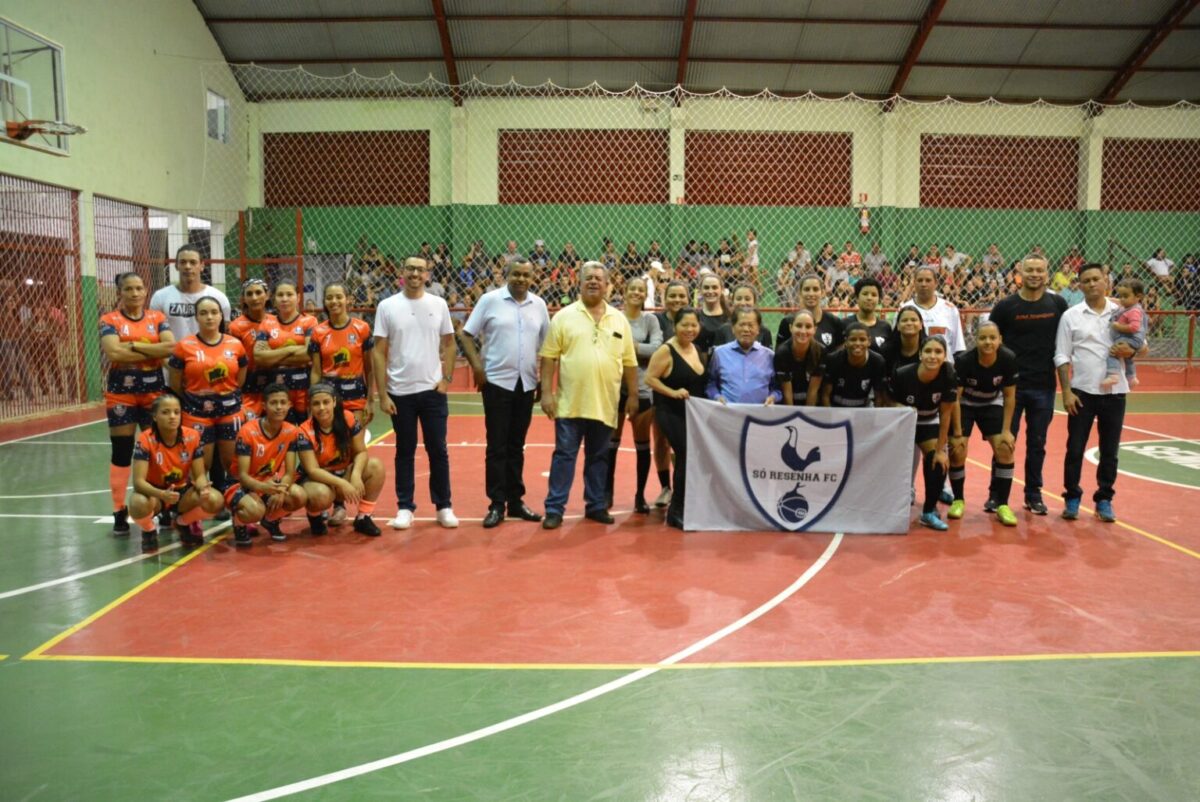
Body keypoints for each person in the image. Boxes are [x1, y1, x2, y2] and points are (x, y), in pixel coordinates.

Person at [539, 262, 638, 530]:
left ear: (607, 284)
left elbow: (630, 362)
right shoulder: (563, 316)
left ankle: (595, 505)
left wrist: (633, 397)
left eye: (598, 278)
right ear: (579, 283)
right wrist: (546, 394)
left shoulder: (619, 319)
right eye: (588, 278)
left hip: (605, 402)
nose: (594, 282)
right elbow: (549, 358)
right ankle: (554, 508)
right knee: (564, 456)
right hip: (570, 403)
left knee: (599, 456)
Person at [456, 260, 550, 529]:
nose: (521, 278)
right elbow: (466, 335)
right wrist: (476, 366)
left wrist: (542, 379)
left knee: (517, 445)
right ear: (507, 275)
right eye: (516, 274)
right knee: (496, 445)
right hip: (496, 382)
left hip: (526, 382)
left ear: (533, 277)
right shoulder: (490, 300)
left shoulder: (539, 305)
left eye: (526, 275)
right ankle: (496, 504)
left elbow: (547, 344)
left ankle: (516, 501)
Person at [372, 257, 459, 530]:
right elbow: (378, 350)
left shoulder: (439, 304)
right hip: (400, 392)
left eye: (420, 269)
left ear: (427, 274)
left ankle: (443, 505)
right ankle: (405, 507)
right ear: (402, 272)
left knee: (438, 450)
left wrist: (445, 379)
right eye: (409, 268)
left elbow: (450, 344)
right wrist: (382, 394)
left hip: (433, 390)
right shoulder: (387, 306)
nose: (414, 273)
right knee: (404, 450)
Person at [1056, 263, 1140, 523]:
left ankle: (1104, 498)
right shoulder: (1071, 316)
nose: (1092, 284)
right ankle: (1072, 496)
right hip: (1082, 392)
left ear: (1106, 281)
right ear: (1079, 285)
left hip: (1115, 392)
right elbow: (1061, 355)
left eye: (1096, 279)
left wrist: (1132, 352)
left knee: (1110, 450)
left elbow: (1142, 343)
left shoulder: (1122, 311)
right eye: (1086, 280)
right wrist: (1067, 392)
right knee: (1075, 448)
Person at [986, 255, 1069, 515]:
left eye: (1040, 270)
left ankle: (1033, 494)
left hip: (1043, 386)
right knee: (1003, 443)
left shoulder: (1057, 304)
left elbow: (1064, 344)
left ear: (1047, 273)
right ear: (1020, 271)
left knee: (1037, 443)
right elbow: (991, 342)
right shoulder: (1005, 306)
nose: (1035, 274)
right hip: (1011, 388)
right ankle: (995, 495)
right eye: (1030, 270)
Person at [100, 272, 175, 537]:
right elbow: (113, 352)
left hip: (153, 392)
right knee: (122, 450)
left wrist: (131, 345)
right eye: (128, 289)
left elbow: (169, 348)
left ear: (146, 291)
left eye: (139, 288)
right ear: (120, 292)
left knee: (156, 449)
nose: (134, 293)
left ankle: (163, 503)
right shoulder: (109, 320)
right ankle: (119, 510)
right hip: (122, 392)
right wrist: (150, 347)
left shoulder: (157, 318)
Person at [128, 393, 224, 553]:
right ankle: (149, 530)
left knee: (215, 500)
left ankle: (182, 522)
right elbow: (138, 482)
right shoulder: (145, 439)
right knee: (137, 502)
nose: (172, 417)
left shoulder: (192, 436)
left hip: (181, 493)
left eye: (176, 412)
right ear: (155, 416)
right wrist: (162, 494)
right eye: (165, 412)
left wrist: (203, 489)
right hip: (155, 493)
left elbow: (199, 475)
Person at [167, 296, 247, 482]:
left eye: (213, 312)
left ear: (221, 316)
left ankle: (231, 500)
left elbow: (240, 377)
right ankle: (200, 503)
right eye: (203, 313)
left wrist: (225, 393)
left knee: (231, 463)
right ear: (196, 317)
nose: (209, 317)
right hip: (196, 412)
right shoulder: (184, 346)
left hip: (230, 410)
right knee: (201, 466)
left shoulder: (235, 344)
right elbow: (175, 383)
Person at [948, 322, 1019, 526]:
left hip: (991, 402)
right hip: (965, 404)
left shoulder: (1008, 359)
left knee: (1005, 449)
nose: (987, 342)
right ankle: (958, 500)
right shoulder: (964, 361)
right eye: (983, 338)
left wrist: (1006, 430)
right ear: (975, 340)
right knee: (957, 450)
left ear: (1000, 340)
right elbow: (955, 399)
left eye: (992, 338)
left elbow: (1010, 397)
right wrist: (959, 433)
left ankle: (1002, 504)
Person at [645, 308, 708, 529]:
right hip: (670, 412)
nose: (690, 329)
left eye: (694, 325)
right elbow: (650, 379)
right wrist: (672, 393)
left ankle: (686, 505)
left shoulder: (697, 350)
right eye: (685, 325)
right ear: (675, 326)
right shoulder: (666, 350)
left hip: (693, 416)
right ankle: (676, 511)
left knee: (688, 458)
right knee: (685, 454)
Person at [604, 277, 662, 514]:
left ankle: (640, 496)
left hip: (643, 389)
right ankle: (606, 493)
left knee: (642, 444)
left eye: (641, 289)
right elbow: (609, 350)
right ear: (624, 292)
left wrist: (629, 347)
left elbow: (657, 350)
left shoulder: (650, 320)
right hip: (616, 387)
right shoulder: (614, 317)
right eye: (633, 289)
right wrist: (640, 349)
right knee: (611, 444)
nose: (637, 293)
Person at [296, 383, 385, 537]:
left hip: (344, 472)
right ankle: (315, 517)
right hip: (320, 480)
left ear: (334, 402)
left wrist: (356, 475)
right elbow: (312, 470)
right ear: (310, 406)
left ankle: (364, 517)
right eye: (316, 404)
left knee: (375, 466)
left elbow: (361, 452)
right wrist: (342, 483)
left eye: (326, 402)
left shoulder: (348, 418)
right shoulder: (304, 431)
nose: (322, 407)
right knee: (320, 495)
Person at [225, 383, 308, 545]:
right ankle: (239, 523)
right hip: (239, 484)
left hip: (268, 482)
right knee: (255, 510)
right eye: (273, 403)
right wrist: (264, 488)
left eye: (283, 403)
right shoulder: (248, 431)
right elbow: (242, 476)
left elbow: (290, 473)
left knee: (300, 496)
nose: (279, 407)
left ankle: (270, 520)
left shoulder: (291, 431)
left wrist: (281, 491)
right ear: (264, 406)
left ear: (290, 405)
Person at [890, 336, 958, 531]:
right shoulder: (903, 374)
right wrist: (903, 408)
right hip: (902, 422)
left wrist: (940, 449)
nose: (932, 356)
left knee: (937, 461)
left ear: (945, 356)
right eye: (928, 351)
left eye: (938, 352)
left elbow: (945, 414)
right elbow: (888, 402)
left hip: (928, 421)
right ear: (920, 354)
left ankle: (928, 511)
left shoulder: (948, 374)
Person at [308, 282, 375, 426]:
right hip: (328, 400)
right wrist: (313, 400)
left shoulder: (362, 328)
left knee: (356, 446)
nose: (334, 301)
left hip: (356, 398)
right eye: (329, 298)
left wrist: (370, 401)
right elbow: (316, 371)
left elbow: (370, 369)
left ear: (348, 299)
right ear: (324, 301)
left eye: (339, 297)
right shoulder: (318, 332)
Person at [255, 281, 318, 425]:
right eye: (280, 295)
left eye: (289, 294)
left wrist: (273, 355)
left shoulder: (309, 321)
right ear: (274, 299)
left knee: (305, 430)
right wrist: (291, 351)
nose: (284, 299)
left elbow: (308, 354)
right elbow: (259, 357)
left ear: (298, 297)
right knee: (281, 430)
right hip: (275, 388)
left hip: (303, 387)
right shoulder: (266, 323)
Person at [149, 244, 232, 342]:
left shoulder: (218, 298)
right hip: (172, 355)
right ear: (176, 266)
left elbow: (225, 333)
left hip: (207, 356)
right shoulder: (160, 297)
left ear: (202, 266)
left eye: (193, 262)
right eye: (183, 262)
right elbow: (153, 332)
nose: (188, 266)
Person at [706, 309, 780, 405]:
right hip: (727, 414)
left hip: (760, 416)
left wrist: (773, 397)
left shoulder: (769, 356)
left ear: (758, 329)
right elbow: (710, 384)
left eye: (750, 325)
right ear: (733, 328)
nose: (746, 329)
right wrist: (716, 396)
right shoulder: (719, 353)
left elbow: (777, 389)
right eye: (742, 325)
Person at [228, 279, 276, 422]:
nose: (254, 298)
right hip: (248, 385)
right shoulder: (236, 327)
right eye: (249, 294)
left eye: (258, 292)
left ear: (267, 295)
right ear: (244, 298)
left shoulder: (276, 321)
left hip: (273, 381)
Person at [817, 322, 888, 408]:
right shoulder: (833, 359)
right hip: (835, 408)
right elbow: (825, 395)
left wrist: (874, 419)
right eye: (853, 339)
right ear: (846, 341)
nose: (858, 343)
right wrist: (830, 418)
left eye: (862, 340)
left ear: (869, 341)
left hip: (863, 409)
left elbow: (879, 397)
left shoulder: (878, 361)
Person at [899, 265, 966, 355]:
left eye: (928, 280)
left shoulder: (950, 309)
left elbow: (958, 347)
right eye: (920, 280)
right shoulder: (903, 310)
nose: (923, 284)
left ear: (936, 283)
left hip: (944, 366)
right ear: (914, 283)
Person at [776, 274, 844, 350]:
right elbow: (780, 356)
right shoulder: (787, 322)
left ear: (823, 293)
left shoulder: (835, 322)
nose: (811, 294)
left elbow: (839, 356)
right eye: (807, 289)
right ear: (800, 293)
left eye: (815, 289)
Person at [1102, 278, 1146, 389]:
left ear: (1138, 297)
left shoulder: (1134, 311)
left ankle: (1113, 374)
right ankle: (1131, 377)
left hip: (1129, 338)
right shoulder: (1128, 306)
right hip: (1130, 339)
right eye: (1120, 296)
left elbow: (1134, 327)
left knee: (1114, 352)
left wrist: (1118, 326)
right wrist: (1108, 298)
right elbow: (1117, 301)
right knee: (1128, 358)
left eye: (1125, 296)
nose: (1121, 299)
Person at [774, 309, 824, 406]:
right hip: (789, 404)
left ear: (815, 329)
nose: (803, 331)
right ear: (791, 328)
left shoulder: (820, 351)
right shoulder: (782, 353)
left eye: (808, 326)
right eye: (799, 326)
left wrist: (807, 417)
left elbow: (813, 391)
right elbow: (787, 394)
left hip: (811, 403)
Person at [845, 277, 892, 352]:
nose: (869, 298)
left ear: (879, 299)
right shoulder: (845, 324)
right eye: (865, 294)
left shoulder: (885, 327)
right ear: (857, 297)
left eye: (874, 295)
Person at [881, 306, 927, 377]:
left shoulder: (929, 349)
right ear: (898, 326)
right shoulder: (886, 350)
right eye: (904, 320)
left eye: (913, 320)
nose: (909, 323)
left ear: (921, 325)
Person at [694, 272, 730, 357]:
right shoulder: (694, 317)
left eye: (714, 287)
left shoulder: (730, 317)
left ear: (722, 290)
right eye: (706, 288)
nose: (710, 291)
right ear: (700, 291)